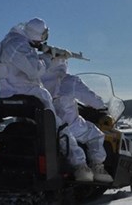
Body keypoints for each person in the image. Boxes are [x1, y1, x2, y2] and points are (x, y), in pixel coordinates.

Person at [0, 18, 94, 182]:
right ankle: (80, 166)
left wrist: (42, 53)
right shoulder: (20, 46)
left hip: (7, 97)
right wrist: (48, 59)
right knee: (59, 128)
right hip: (32, 95)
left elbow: (10, 63)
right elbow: (36, 71)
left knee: (28, 129)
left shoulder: (4, 44)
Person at [41, 52, 114, 183]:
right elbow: (93, 100)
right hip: (70, 125)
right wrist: (102, 105)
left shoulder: (39, 83)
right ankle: (95, 168)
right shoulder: (69, 81)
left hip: (45, 127)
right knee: (95, 134)